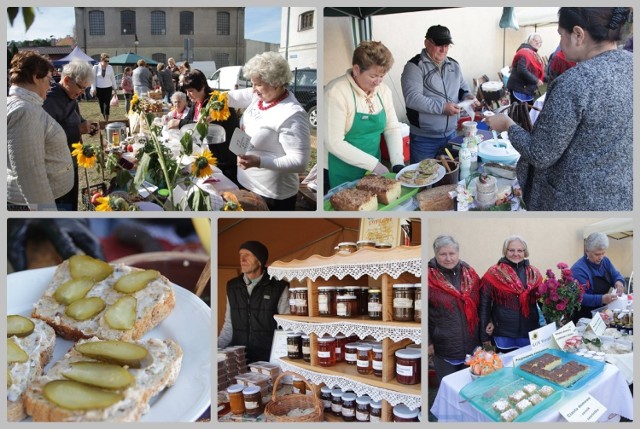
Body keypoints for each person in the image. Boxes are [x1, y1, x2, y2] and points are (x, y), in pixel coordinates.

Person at [485, 7, 633, 211]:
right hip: (621, 197)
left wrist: (507, 124)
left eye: (561, 35)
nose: (560, 43)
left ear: (578, 34)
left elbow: (540, 154)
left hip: (573, 201)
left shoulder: (575, 83)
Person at [227, 52, 311, 210]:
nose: (253, 89)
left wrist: (259, 162)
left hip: (272, 195)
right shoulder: (259, 97)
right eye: (252, 84)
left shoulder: (292, 114)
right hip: (246, 183)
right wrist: (212, 103)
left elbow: (300, 162)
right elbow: (229, 97)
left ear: (276, 82)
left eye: (258, 84)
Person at [325, 41, 405, 189]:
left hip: (374, 169)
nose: (378, 82)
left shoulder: (384, 91)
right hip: (343, 170)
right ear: (356, 69)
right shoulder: (336, 92)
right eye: (374, 76)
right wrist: (375, 165)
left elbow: (391, 128)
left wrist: (397, 162)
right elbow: (334, 142)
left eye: (382, 76)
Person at [401, 26, 479, 162]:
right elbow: (413, 98)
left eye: (447, 45)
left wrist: (469, 98)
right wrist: (443, 107)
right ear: (427, 43)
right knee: (423, 179)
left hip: (451, 135)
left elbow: (463, 89)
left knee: (450, 177)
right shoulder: (414, 66)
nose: (443, 50)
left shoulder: (454, 65)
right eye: (439, 45)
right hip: (424, 140)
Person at [7, 51, 74, 211]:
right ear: (36, 77)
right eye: (49, 80)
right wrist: (48, 216)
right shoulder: (24, 111)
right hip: (38, 202)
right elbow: (30, 172)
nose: (50, 86)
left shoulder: (26, 105)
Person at [428, 235, 490, 383]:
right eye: (443, 254)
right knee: (449, 385)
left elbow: (482, 305)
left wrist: (485, 336)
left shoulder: (471, 274)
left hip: (472, 345)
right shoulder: (428, 277)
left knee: (470, 385)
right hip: (444, 347)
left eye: (452, 253)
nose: (448, 258)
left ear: (458, 253)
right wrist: (428, 341)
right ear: (436, 255)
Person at [218, 241, 290, 363]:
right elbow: (229, 326)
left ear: (260, 260)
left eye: (248, 254)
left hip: (268, 360)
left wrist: (280, 357)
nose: (242, 259)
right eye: (240, 255)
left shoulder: (278, 287)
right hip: (239, 360)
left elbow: (286, 326)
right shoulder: (232, 286)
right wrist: (215, 347)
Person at [42, 59, 97, 211]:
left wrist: (88, 126)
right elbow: (47, 138)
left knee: (71, 198)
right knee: (62, 204)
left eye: (85, 88)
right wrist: (78, 130)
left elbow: (77, 118)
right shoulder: (49, 100)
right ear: (66, 80)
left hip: (70, 158)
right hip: (56, 166)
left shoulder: (70, 96)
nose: (81, 93)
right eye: (80, 87)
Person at [168, 69, 239, 186]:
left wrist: (180, 123)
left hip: (224, 158)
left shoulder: (216, 103)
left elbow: (208, 128)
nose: (188, 94)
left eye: (191, 91)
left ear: (202, 87)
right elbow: (191, 120)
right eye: (186, 91)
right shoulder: (197, 102)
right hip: (211, 155)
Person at [479, 235, 543, 353]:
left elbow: (543, 302)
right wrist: (484, 336)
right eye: (511, 250)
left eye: (520, 250)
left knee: (528, 366)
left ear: (525, 252)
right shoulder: (493, 273)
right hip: (504, 334)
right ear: (505, 251)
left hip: (529, 333)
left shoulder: (534, 273)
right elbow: (484, 305)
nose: (516, 254)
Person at [571, 232, 625, 322]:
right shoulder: (578, 269)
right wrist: (602, 299)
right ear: (587, 251)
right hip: (584, 316)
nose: (601, 257)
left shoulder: (605, 261)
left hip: (602, 312)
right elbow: (579, 297)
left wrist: (619, 281)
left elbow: (615, 275)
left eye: (603, 253)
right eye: (597, 254)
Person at [506, 33, 545, 103]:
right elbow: (522, 70)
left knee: (526, 112)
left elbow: (535, 71)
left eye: (540, 42)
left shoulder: (532, 53)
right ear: (529, 40)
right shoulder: (524, 52)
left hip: (526, 89)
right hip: (519, 88)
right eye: (535, 40)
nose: (538, 43)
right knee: (519, 112)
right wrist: (536, 80)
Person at [90, 53, 117, 120]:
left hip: (108, 88)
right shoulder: (96, 67)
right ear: (101, 60)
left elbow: (113, 78)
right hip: (99, 88)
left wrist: (115, 88)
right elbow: (93, 79)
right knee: (101, 105)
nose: (107, 63)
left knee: (107, 104)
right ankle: (104, 116)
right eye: (105, 61)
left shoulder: (110, 67)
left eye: (108, 61)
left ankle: (106, 119)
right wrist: (93, 88)